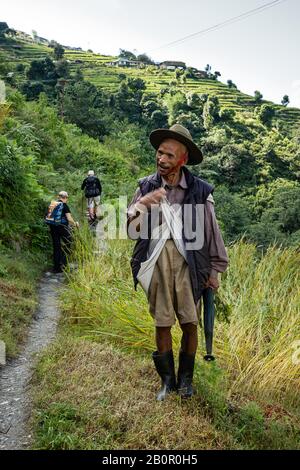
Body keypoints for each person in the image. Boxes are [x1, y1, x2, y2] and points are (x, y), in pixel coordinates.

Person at [127, 124, 229, 401]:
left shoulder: (198, 191)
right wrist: (145, 203)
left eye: (170, 156)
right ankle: (167, 382)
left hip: (189, 264)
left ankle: (186, 381)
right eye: (160, 153)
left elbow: (211, 232)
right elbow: (131, 231)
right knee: (161, 322)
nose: (162, 160)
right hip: (156, 262)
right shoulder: (146, 186)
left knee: (190, 322)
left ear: (182, 159)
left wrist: (215, 270)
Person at [46, 191, 79, 273]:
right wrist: (75, 224)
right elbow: (69, 219)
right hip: (62, 227)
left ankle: (56, 268)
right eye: (67, 198)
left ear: (58, 196)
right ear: (66, 198)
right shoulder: (64, 205)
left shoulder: (53, 204)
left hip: (53, 227)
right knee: (69, 242)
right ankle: (63, 263)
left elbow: (48, 216)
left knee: (56, 246)